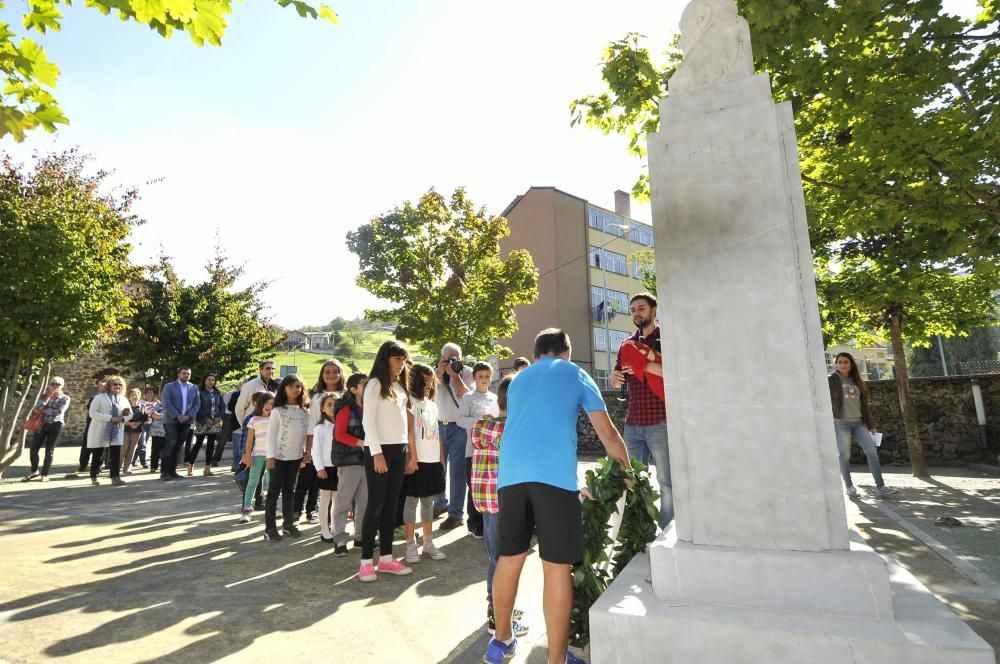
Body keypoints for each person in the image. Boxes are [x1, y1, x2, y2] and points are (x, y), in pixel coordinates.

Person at [485, 329, 630, 664]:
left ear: (536, 355)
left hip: (511, 477)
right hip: (553, 477)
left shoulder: (518, 379)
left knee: (510, 558)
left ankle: (500, 642)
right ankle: (557, 659)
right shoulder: (575, 372)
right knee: (556, 567)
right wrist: (627, 470)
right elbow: (607, 432)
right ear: (567, 351)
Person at [471, 375, 528, 638]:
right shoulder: (514, 430)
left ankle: (500, 608)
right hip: (503, 503)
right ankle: (497, 613)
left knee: (495, 557)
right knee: (502, 560)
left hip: (485, 502)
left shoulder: (483, 424)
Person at [609, 292, 673, 529]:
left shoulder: (666, 338)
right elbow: (618, 380)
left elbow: (675, 371)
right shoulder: (627, 345)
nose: (637, 313)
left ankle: (668, 533)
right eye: (633, 309)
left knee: (666, 483)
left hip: (660, 420)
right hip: (633, 423)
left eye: (641, 308)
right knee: (632, 481)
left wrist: (644, 365)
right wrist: (616, 378)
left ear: (654, 310)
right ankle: (643, 534)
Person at [359, 341, 414, 582]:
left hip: (398, 449)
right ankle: (365, 563)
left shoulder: (400, 386)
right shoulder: (374, 385)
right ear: (385, 359)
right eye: (397, 359)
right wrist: (376, 453)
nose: (401, 364)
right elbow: (368, 422)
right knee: (376, 506)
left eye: (403, 360)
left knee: (392, 506)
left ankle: (386, 559)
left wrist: (409, 452)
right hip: (378, 451)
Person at [830, 352, 899, 498]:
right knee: (844, 455)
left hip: (859, 423)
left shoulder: (857, 381)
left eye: (846, 362)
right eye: (840, 362)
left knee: (872, 453)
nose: (843, 364)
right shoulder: (832, 380)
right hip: (841, 422)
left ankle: (880, 487)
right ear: (837, 364)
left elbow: (864, 406)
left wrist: (870, 424)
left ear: (851, 364)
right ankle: (849, 487)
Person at [402, 363, 447, 563]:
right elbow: (409, 432)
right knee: (411, 501)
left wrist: (441, 458)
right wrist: (412, 457)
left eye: (430, 381)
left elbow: (436, 434)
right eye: (424, 381)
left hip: (432, 460)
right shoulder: (408, 402)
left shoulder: (433, 405)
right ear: (414, 381)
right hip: (415, 460)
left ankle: (428, 543)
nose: (428, 384)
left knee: (428, 501)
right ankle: (410, 544)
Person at [298, 359, 346, 523]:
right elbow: (312, 425)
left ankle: (335, 522)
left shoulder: (346, 395)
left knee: (339, 488)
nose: (331, 375)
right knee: (316, 483)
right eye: (327, 372)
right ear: (322, 375)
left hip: (343, 449)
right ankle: (306, 512)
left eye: (335, 371)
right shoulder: (317, 397)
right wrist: (308, 450)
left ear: (341, 374)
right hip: (321, 447)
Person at [264, 374, 310, 541]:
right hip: (278, 457)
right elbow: (271, 435)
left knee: (290, 490)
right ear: (284, 388)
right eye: (291, 386)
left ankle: (288, 524)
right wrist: (270, 456)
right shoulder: (277, 411)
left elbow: (307, 433)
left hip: (295, 457)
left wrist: (306, 451)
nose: (295, 389)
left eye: (298, 386)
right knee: (273, 491)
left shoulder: (305, 412)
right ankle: (269, 528)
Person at [434, 342, 475, 529]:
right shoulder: (435, 371)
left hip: (459, 428)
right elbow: (425, 393)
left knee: (457, 471)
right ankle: (440, 503)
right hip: (438, 426)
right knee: (437, 468)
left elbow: (469, 395)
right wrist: (438, 374)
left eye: (455, 358)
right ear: (441, 357)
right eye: (448, 358)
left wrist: (455, 376)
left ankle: (456, 513)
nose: (452, 361)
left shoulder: (466, 372)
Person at [457, 361, 500, 539]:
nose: (484, 379)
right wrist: (480, 420)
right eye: (480, 376)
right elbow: (460, 420)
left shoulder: (495, 398)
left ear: (491, 377)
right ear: (474, 378)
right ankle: (474, 524)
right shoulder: (468, 398)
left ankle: (488, 521)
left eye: (487, 376)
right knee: (473, 485)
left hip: (491, 452)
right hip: (473, 450)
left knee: (488, 485)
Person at [332, 373, 369, 556]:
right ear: (353, 389)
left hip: (366, 460)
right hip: (349, 460)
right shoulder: (345, 407)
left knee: (364, 500)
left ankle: (360, 537)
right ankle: (339, 539)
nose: (368, 385)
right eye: (364, 383)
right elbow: (339, 435)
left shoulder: (370, 406)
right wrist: (361, 443)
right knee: (344, 501)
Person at [86, 375, 133, 486]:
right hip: (101, 428)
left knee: (116, 453)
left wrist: (123, 418)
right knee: (98, 454)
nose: (117, 386)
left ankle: (115, 476)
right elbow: (92, 413)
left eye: (120, 385)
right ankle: (94, 475)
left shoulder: (123, 399)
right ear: (109, 385)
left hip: (117, 429)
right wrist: (110, 418)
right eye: (115, 384)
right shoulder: (99, 398)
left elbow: (130, 414)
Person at [24, 376, 71, 482]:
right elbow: (37, 408)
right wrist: (47, 400)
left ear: (62, 386)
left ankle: (44, 474)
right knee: (33, 449)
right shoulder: (43, 396)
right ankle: (34, 470)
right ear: (49, 385)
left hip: (56, 424)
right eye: (53, 383)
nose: (55, 386)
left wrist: (44, 409)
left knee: (49, 450)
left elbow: (58, 411)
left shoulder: (65, 398)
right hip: (41, 424)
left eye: (58, 384)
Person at [239, 392, 274, 524]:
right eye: (266, 403)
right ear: (260, 404)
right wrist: (247, 455)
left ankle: (273, 509)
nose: (269, 406)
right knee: (252, 482)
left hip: (272, 456)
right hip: (257, 455)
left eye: (272, 403)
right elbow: (249, 440)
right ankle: (246, 510)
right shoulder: (253, 420)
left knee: (271, 483)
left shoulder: (276, 419)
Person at [160, 367, 200, 481]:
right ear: (178, 374)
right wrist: (177, 416)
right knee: (171, 443)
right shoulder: (169, 386)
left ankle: (173, 471)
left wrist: (188, 416)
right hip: (171, 420)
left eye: (188, 374)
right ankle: (165, 471)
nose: (186, 375)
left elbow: (197, 404)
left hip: (187, 421)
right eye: (184, 373)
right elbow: (166, 403)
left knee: (178, 446)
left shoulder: (194, 387)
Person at [312, 393, 339, 542]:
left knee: (337, 500)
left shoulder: (341, 425)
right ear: (322, 408)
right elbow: (315, 450)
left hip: (338, 467)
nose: (332, 407)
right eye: (329, 404)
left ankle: (335, 528)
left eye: (335, 404)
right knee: (325, 499)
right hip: (326, 468)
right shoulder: (320, 428)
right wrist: (320, 468)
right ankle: (324, 530)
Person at [66, 379, 105, 478]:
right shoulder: (94, 398)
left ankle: (98, 465)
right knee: (86, 445)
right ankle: (83, 464)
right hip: (91, 424)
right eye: (101, 386)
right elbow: (90, 410)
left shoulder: (109, 399)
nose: (102, 388)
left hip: (102, 425)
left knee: (101, 446)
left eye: (104, 386)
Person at [187, 374, 224, 476]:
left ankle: (207, 468)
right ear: (204, 381)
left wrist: (219, 416)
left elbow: (222, 406)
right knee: (198, 444)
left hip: (215, 422)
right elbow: (197, 407)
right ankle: (190, 465)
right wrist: (205, 418)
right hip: (202, 422)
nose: (211, 382)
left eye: (213, 380)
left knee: (211, 445)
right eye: (209, 380)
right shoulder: (199, 392)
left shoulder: (217, 393)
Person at [120, 388, 147, 476]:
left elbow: (145, 417)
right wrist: (130, 423)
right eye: (132, 395)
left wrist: (138, 423)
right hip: (125, 429)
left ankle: (127, 468)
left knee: (132, 449)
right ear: (129, 396)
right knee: (124, 448)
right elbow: (121, 418)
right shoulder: (125, 406)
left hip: (137, 430)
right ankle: (117, 467)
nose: (134, 397)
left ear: (139, 396)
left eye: (136, 395)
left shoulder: (142, 406)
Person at [146, 389, 166, 474]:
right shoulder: (157, 404)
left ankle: (165, 468)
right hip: (156, 431)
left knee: (166, 450)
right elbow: (152, 414)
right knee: (155, 450)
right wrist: (165, 416)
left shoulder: (172, 405)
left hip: (168, 431)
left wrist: (160, 416)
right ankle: (153, 467)